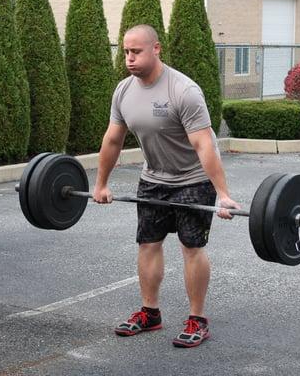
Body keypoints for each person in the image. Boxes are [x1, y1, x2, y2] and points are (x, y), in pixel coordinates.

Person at [93, 24, 239, 348]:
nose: (129, 59)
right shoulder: (123, 91)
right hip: (154, 177)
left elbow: (205, 146)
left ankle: (197, 319)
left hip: (193, 178)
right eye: (126, 52)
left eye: (136, 52)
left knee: (191, 247)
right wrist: (101, 184)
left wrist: (224, 194)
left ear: (156, 49)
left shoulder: (183, 91)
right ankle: (150, 313)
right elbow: (113, 140)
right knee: (148, 243)